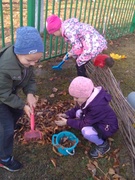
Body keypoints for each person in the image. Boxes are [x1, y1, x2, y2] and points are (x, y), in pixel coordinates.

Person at [0, 26, 44, 172]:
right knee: (5, 130)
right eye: (30, 60)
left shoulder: (25, 60)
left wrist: (30, 94)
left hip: (7, 92)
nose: (33, 64)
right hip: (1, 95)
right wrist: (22, 104)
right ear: (19, 52)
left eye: (36, 61)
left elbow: (30, 79)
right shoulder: (5, 67)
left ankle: (11, 123)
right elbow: (3, 94)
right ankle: (4, 158)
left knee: (17, 112)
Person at [55, 76, 118, 158]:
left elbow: (84, 124)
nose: (74, 99)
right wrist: (67, 115)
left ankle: (103, 145)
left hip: (107, 127)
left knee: (86, 131)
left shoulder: (97, 106)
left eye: (76, 97)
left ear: (86, 95)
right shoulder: (88, 98)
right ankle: (97, 136)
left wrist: (67, 122)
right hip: (95, 119)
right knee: (78, 112)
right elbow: (78, 108)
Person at [46, 14, 112, 77]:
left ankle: (82, 79)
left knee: (79, 62)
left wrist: (71, 53)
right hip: (97, 41)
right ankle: (105, 60)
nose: (54, 35)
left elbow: (78, 46)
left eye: (53, 33)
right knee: (83, 57)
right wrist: (72, 53)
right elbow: (78, 43)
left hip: (92, 45)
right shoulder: (69, 25)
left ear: (56, 29)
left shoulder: (68, 32)